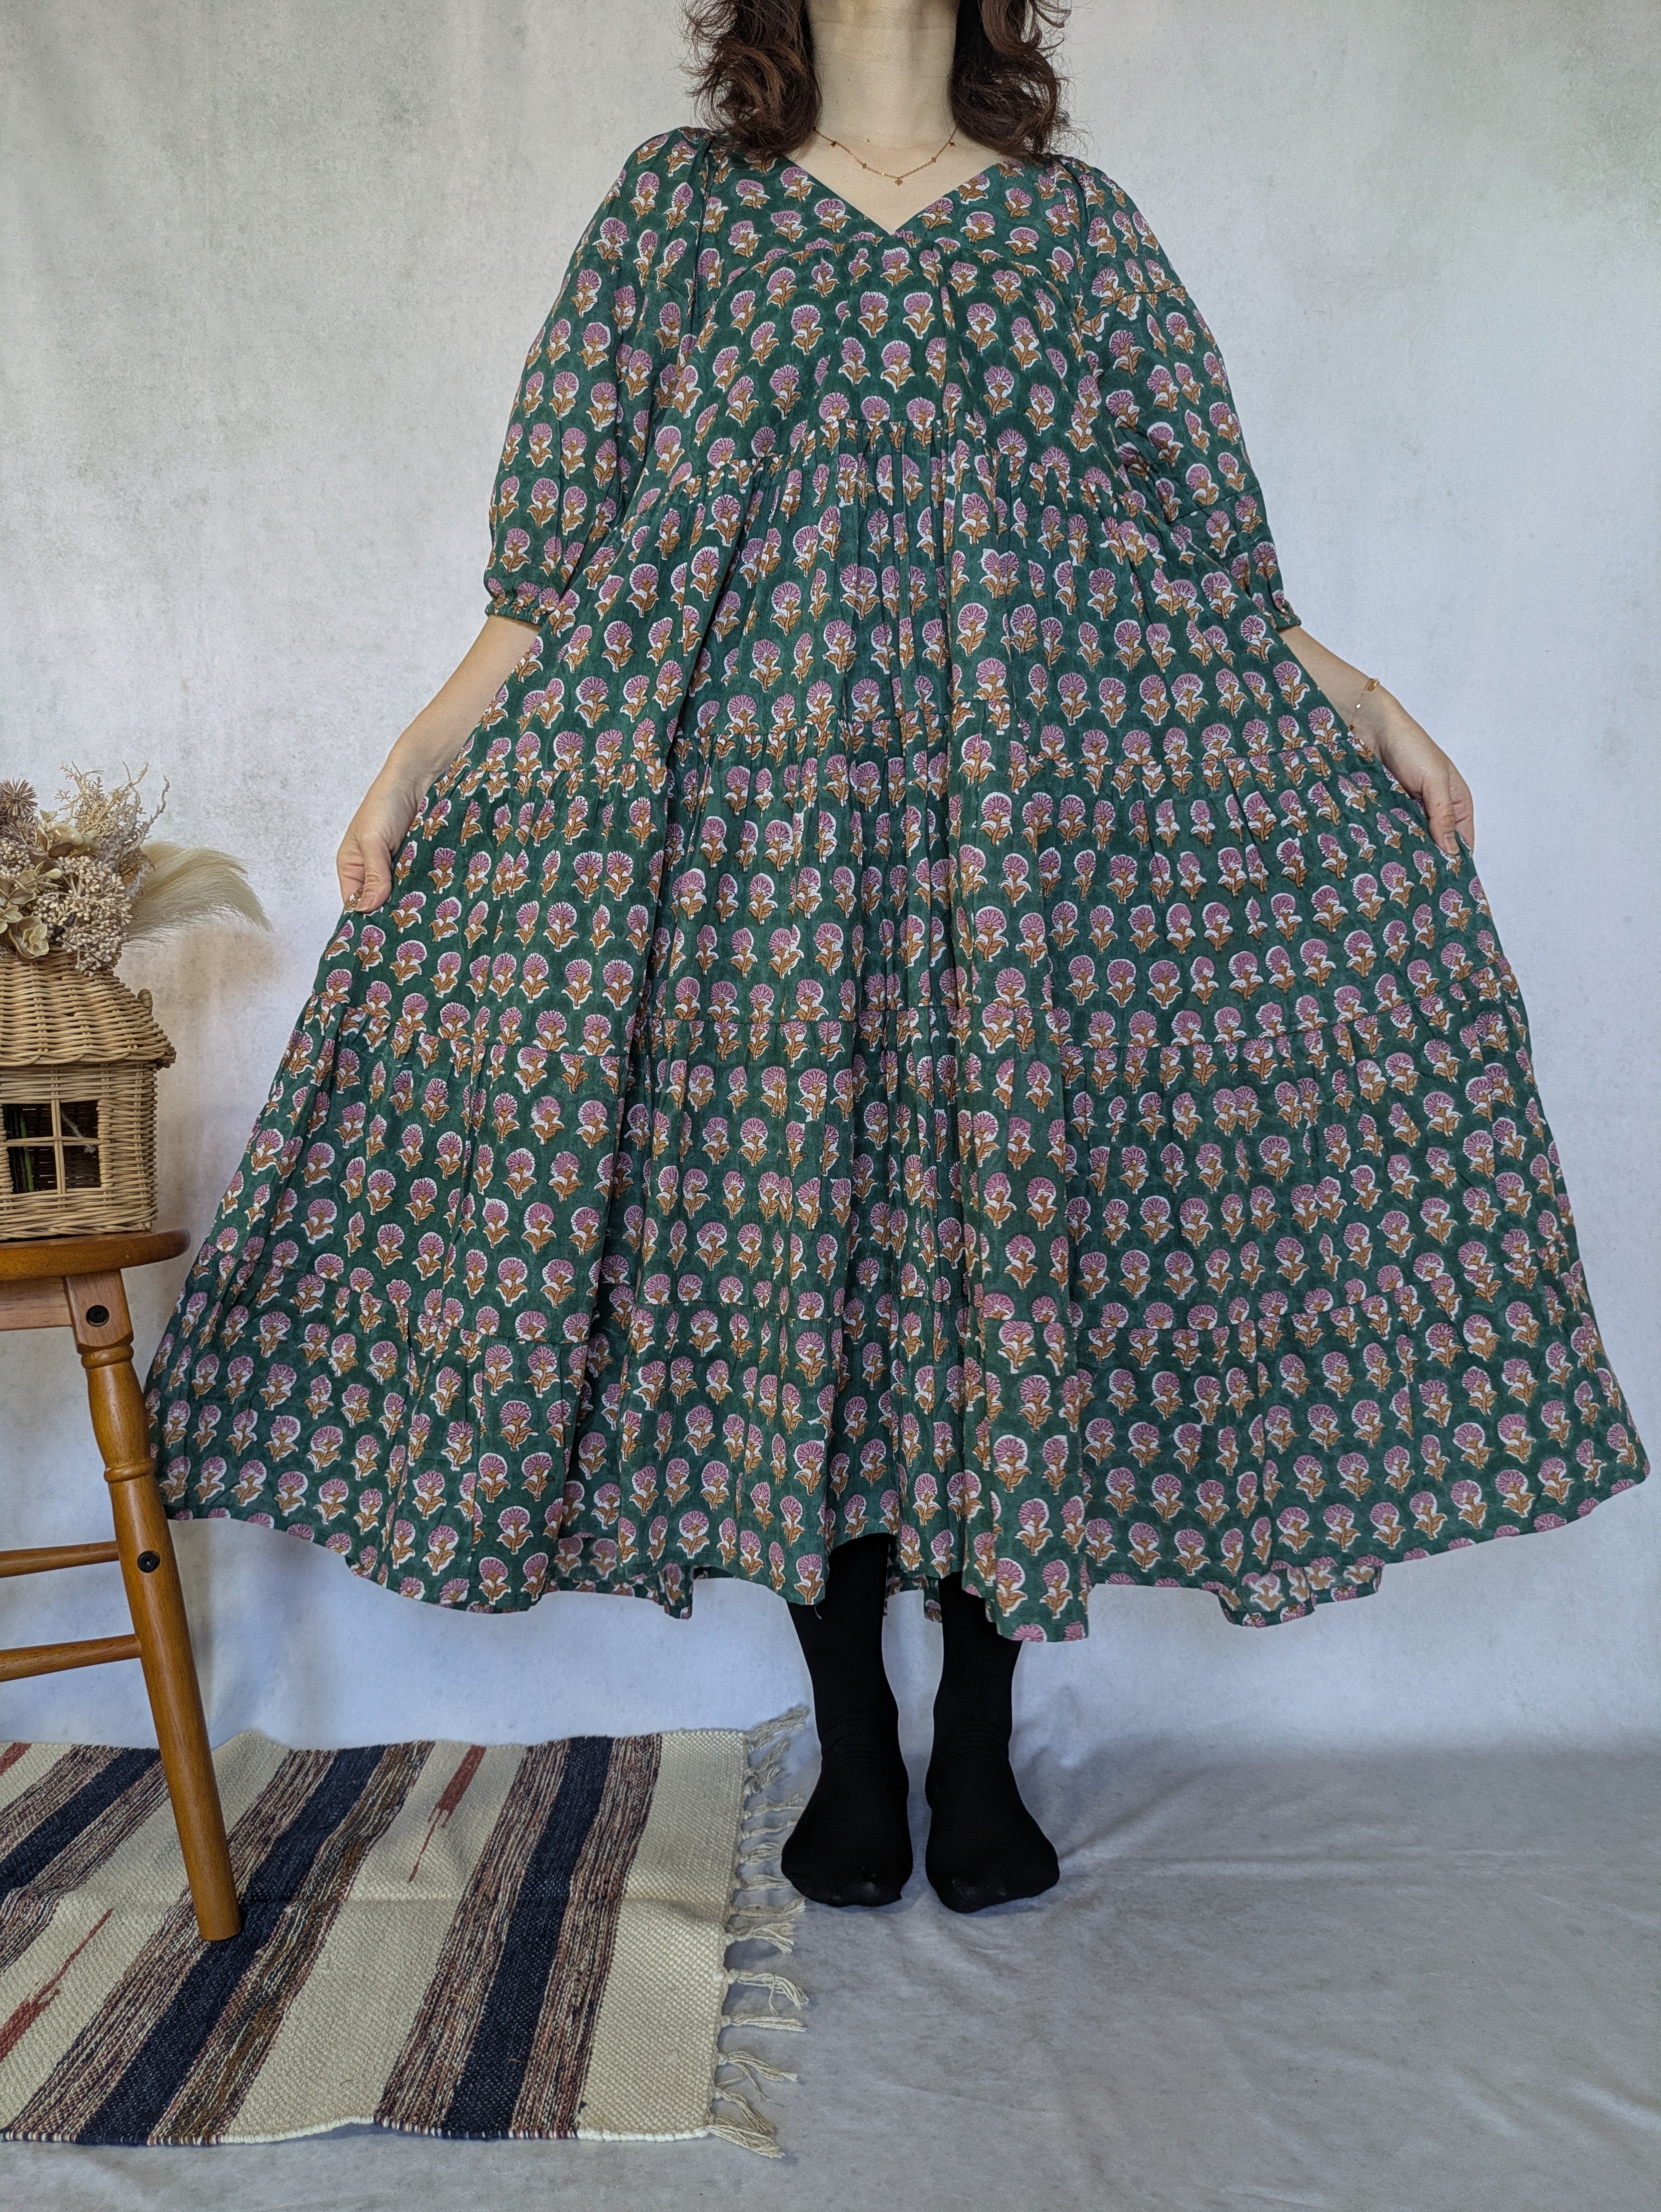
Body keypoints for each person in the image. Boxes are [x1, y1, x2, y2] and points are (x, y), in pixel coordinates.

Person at [145, 0, 1648, 1915]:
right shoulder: (677, 213)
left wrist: (1360, 707)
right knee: (807, 1264)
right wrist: (421, 757)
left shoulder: (1074, 227)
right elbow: (557, 563)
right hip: (756, 846)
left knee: (994, 1254)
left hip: (1022, 840)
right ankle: (856, 1746)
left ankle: (978, 1749)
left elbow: (1205, 556)